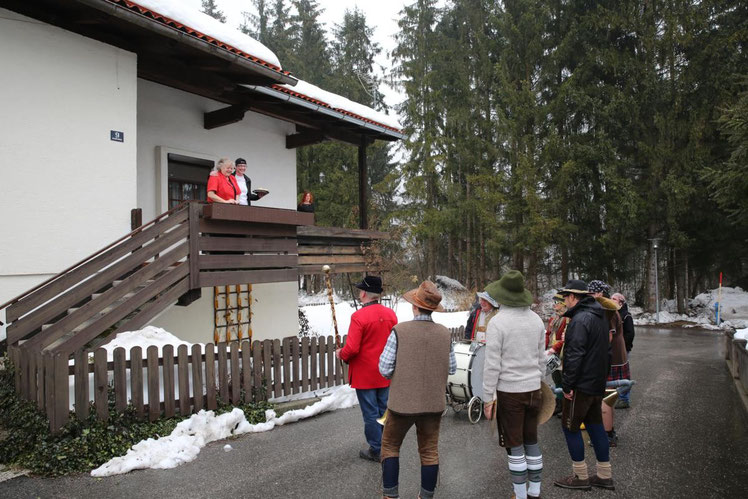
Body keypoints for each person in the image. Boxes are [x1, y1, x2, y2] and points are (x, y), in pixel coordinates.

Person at [378, 280, 456, 499]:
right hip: (433, 403)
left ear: (415, 305)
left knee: (391, 446)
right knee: (429, 451)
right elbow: (451, 367)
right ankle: (426, 496)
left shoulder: (399, 331)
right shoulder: (445, 333)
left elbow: (384, 368)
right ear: (433, 309)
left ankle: (390, 496)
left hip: (401, 404)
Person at [482, 271, 546, 499]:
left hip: (510, 392)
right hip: (534, 390)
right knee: (531, 440)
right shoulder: (537, 320)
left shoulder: (497, 323)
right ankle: (534, 492)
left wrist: (488, 397)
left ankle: (520, 495)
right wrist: (540, 382)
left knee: (515, 445)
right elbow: (542, 359)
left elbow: (492, 365)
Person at [554, 279, 615, 491]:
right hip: (596, 383)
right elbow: (608, 351)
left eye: (565, 298)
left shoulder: (580, 320)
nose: (564, 302)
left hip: (580, 385)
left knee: (570, 427)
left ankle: (580, 477)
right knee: (595, 426)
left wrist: (567, 385)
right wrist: (602, 378)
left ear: (573, 297)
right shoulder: (601, 316)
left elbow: (574, 355)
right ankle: (604, 475)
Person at [336, 275, 397, 462]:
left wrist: (341, 354)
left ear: (364, 294)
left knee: (371, 413)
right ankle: (387, 445)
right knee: (384, 410)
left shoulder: (358, 317)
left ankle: (377, 449)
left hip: (365, 375)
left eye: (360, 290)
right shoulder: (391, 314)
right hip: (384, 372)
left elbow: (352, 348)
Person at [589, 280, 628, 446]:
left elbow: (608, 337)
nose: (589, 296)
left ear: (599, 294)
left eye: (592, 293)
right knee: (609, 397)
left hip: (611, 360)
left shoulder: (606, 309)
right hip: (617, 358)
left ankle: (607, 436)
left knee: (604, 398)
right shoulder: (609, 308)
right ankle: (609, 432)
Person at [546, 293, 568, 414]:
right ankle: (559, 403)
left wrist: (555, 348)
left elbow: (565, 338)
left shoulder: (567, 318)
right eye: (554, 303)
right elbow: (548, 333)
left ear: (564, 305)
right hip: (553, 352)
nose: (555, 305)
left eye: (557, 303)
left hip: (562, 352)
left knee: (564, 379)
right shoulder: (554, 319)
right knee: (556, 378)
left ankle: (565, 405)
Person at [611, 292, 634, 408]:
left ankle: (624, 399)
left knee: (623, 375)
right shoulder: (612, 314)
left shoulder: (626, 316)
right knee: (612, 375)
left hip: (623, 350)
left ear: (621, 302)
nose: (611, 300)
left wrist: (623, 347)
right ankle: (613, 396)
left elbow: (630, 334)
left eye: (614, 299)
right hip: (613, 351)